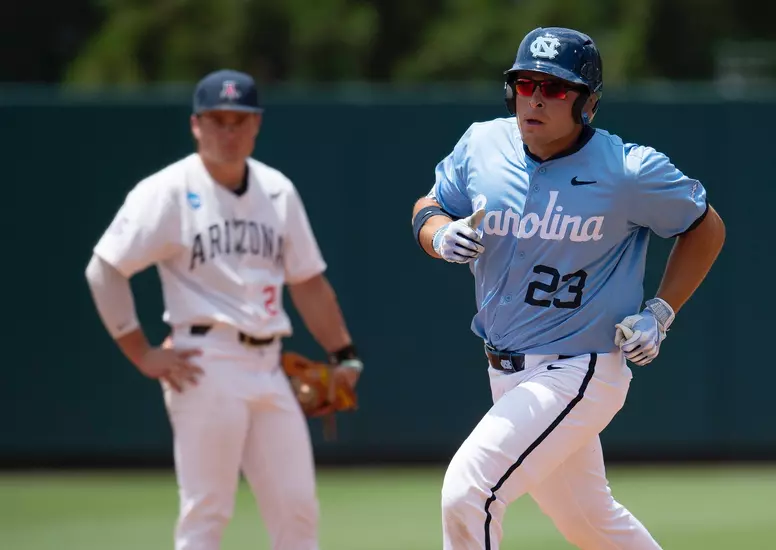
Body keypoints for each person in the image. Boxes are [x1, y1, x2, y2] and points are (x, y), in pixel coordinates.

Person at [410, 27, 726, 550]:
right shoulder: (482, 144)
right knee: (589, 521)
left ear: (589, 104)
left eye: (555, 88)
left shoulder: (628, 170)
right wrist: (438, 234)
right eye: (525, 83)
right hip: (505, 367)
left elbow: (705, 226)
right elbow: (429, 203)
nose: (535, 98)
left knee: (469, 491)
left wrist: (661, 312)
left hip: (580, 367)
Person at [84, 68, 363, 550]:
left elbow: (309, 282)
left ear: (256, 125)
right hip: (203, 363)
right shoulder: (167, 191)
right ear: (196, 125)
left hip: (269, 364)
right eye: (218, 120)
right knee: (207, 511)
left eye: (240, 120)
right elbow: (104, 269)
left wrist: (343, 353)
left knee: (297, 510)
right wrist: (142, 353)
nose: (229, 132)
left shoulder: (277, 190)